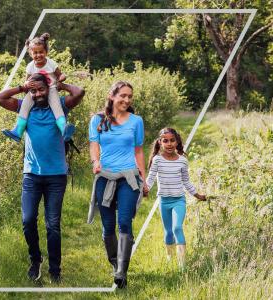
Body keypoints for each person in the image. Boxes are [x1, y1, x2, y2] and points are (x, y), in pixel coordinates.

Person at [0, 72, 85, 283]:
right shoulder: (25, 107)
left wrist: (59, 86)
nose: (37, 94)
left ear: (48, 89)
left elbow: (79, 92)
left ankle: (55, 270)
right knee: (27, 221)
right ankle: (35, 260)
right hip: (31, 175)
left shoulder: (60, 105)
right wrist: (22, 88)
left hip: (56, 176)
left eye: (41, 89)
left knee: (53, 224)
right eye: (34, 91)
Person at [87, 81, 146, 289]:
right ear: (112, 96)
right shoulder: (98, 119)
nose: (127, 100)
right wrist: (96, 162)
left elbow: (138, 150)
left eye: (130, 96)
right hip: (105, 177)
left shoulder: (136, 121)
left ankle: (122, 271)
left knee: (125, 222)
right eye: (123, 95)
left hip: (129, 178)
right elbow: (94, 144)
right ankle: (114, 262)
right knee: (108, 225)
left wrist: (144, 179)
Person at [144, 127, 206, 270]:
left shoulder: (182, 161)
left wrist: (197, 195)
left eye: (172, 140)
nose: (169, 144)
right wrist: (145, 189)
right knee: (168, 232)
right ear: (160, 143)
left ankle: (182, 266)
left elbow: (186, 181)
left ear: (177, 142)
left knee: (177, 227)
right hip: (164, 201)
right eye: (165, 141)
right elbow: (151, 178)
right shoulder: (157, 160)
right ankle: (169, 257)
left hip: (179, 200)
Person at [1, 33, 68, 142]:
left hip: (50, 89)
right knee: (24, 106)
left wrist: (61, 78)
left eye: (41, 52)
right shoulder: (30, 66)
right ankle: (18, 131)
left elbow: (59, 74)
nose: (38, 55)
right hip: (33, 91)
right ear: (31, 54)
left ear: (46, 52)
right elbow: (26, 80)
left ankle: (63, 128)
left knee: (57, 107)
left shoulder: (51, 63)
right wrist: (27, 84)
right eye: (35, 53)